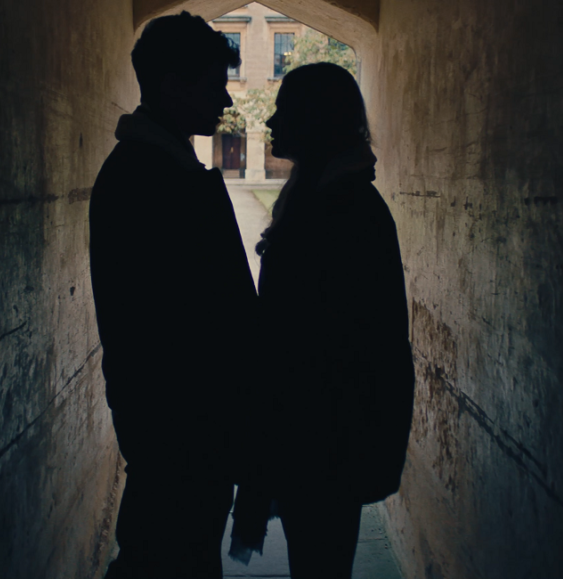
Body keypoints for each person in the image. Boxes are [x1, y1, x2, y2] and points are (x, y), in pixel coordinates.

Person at [89, 12, 257, 579]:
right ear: (173, 87)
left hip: (174, 423)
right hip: (181, 426)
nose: (226, 100)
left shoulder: (151, 168)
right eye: (214, 86)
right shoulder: (155, 179)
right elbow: (203, 321)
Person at [232, 62, 415, 579]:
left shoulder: (344, 209)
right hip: (316, 433)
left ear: (315, 121)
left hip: (325, 437)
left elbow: (328, 342)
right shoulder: (324, 197)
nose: (271, 121)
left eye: (284, 111)